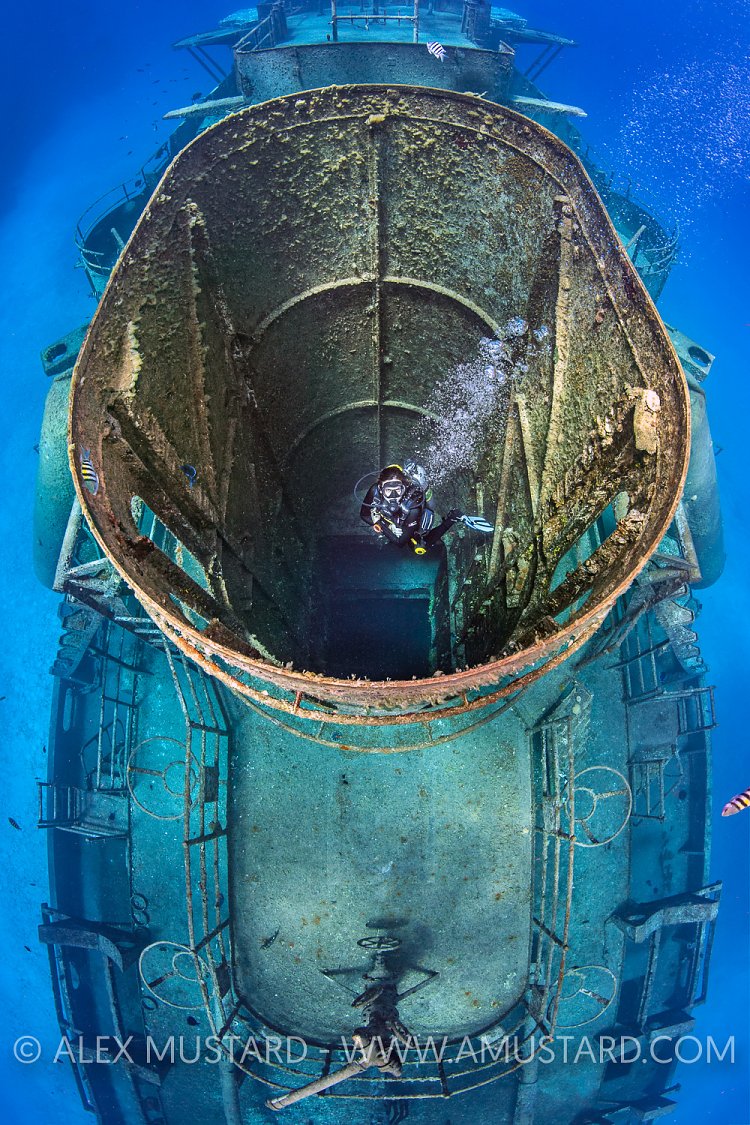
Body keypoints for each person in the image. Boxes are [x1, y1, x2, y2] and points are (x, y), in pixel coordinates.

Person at [360, 461, 463, 555]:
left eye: (397, 490)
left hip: (415, 517)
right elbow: (364, 515)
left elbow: (400, 542)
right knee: (389, 533)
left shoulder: (413, 506)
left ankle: (452, 519)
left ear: (403, 488)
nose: (394, 495)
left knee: (418, 547)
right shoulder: (375, 490)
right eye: (388, 490)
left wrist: (379, 522)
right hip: (397, 517)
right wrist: (387, 525)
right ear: (381, 489)